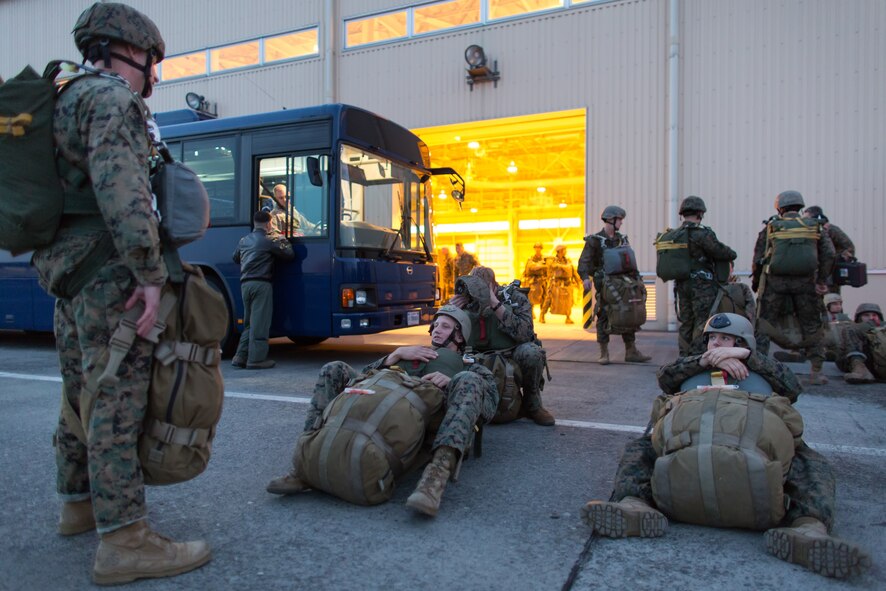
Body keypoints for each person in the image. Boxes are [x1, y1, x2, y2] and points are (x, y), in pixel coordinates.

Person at [29, 3, 211, 584]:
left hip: (67, 272)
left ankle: (79, 503)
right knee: (117, 397)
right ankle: (126, 540)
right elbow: (125, 193)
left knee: (79, 388)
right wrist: (150, 276)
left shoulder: (60, 99)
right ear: (128, 49)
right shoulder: (112, 100)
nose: (153, 74)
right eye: (152, 61)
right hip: (109, 272)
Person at [581, 313, 871, 579]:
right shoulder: (694, 366)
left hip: (747, 435)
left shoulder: (761, 369)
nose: (716, 344)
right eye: (711, 338)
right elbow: (665, 377)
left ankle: (809, 529)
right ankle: (634, 506)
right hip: (694, 434)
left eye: (725, 339)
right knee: (641, 448)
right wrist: (703, 361)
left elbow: (792, 387)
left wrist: (748, 358)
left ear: (743, 343)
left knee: (808, 460)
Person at [266, 305, 499, 517]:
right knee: (333, 369)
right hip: (383, 398)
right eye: (435, 325)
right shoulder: (412, 352)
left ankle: (435, 479)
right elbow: (365, 377)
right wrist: (394, 356)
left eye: (445, 326)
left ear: (459, 335)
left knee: (469, 381)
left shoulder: (469, 366)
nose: (437, 330)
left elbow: (489, 406)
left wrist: (452, 381)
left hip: (426, 413)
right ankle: (305, 461)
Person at [752, 190, 835, 385]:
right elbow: (830, 254)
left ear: (779, 208)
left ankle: (760, 370)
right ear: (800, 206)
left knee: (764, 324)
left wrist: (756, 284)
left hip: (774, 285)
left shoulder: (771, 227)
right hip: (806, 284)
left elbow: (758, 259)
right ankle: (816, 371)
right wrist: (821, 280)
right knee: (812, 325)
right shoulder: (814, 226)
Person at [458, 266, 555, 426]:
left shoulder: (515, 298)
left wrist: (496, 305)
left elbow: (525, 333)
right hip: (476, 354)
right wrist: (452, 311)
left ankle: (533, 405)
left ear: (493, 285)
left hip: (510, 353)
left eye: (481, 288)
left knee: (532, 353)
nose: (477, 292)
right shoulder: (466, 299)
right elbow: (442, 338)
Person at [577, 205, 651, 364]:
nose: (621, 223)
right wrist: (585, 278)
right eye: (620, 220)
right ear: (611, 219)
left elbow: (629, 260)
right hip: (606, 284)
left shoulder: (622, 239)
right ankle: (604, 353)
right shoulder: (595, 240)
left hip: (624, 283)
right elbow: (584, 261)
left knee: (629, 312)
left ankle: (631, 351)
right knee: (604, 314)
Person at [670, 196, 737, 355]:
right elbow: (723, 252)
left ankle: (684, 356)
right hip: (702, 286)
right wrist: (732, 253)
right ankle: (698, 356)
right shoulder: (702, 234)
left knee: (686, 322)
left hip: (682, 284)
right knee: (703, 322)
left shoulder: (675, 235)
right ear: (700, 213)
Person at [231, 210, 295, 369]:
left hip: (245, 284)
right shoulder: (269, 240)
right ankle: (256, 360)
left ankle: (240, 356)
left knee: (249, 323)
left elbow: (235, 258)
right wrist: (281, 238)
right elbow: (289, 254)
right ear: (268, 224)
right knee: (260, 323)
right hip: (261, 284)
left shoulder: (244, 240)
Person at [804, 206, 855, 294]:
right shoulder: (810, 231)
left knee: (831, 299)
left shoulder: (831, 229)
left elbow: (849, 248)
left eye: (806, 218)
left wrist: (834, 259)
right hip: (814, 274)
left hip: (830, 275)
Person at [836, 303, 883, 384]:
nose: (871, 318)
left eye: (874, 315)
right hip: (869, 364)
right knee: (849, 330)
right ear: (859, 318)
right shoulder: (854, 331)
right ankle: (860, 369)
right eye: (866, 315)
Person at [540, 244, 582, 324]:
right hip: (555, 283)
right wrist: (563, 267)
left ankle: (568, 317)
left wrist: (578, 280)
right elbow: (551, 266)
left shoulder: (568, 261)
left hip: (567, 283)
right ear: (559, 251)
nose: (565, 251)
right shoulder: (553, 260)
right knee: (549, 300)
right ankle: (542, 315)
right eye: (564, 250)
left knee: (568, 302)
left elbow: (572, 270)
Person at [522, 242, 548, 319]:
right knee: (531, 297)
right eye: (536, 248)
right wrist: (542, 266)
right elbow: (530, 267)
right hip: (532, 280)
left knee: (544, 298)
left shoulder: (544, 259)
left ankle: (542, 315)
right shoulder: (531, 259)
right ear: (534, 249)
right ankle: (531, 312)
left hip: (542, 280)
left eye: (539, 248)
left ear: (541, 249)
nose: (537, 249)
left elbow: (548, 268)